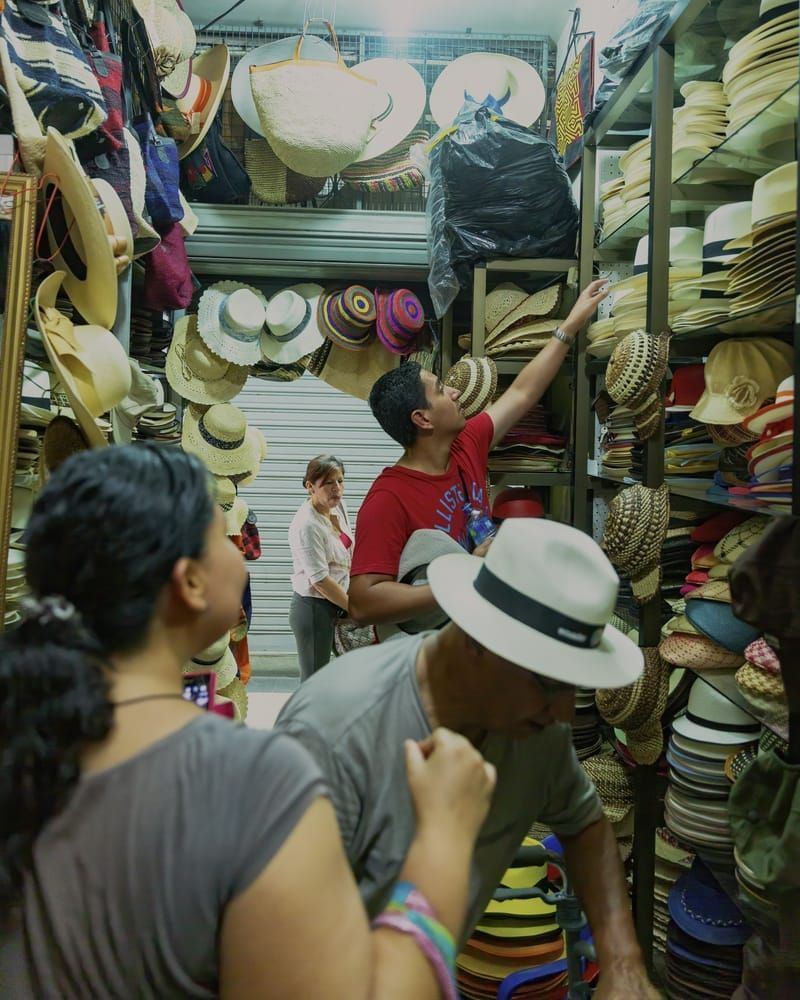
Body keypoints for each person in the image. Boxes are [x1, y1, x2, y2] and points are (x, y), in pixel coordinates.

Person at [0, 444, 497, 998]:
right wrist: (444, 841)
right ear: (190, 583)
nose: (241, 552)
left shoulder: (24, 736)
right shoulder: (253, 781)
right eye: (223, 538)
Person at [277, 518, 661, 998]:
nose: (562, 713)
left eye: (572, 686)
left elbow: (584, 823)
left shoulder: (535, 726)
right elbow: (282, 950)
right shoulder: (334, 732)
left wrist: (623, 961)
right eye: (547, 683)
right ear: (479, 642)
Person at [348, 278, 610, 626]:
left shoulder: (465, 445)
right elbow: (362, 603)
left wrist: (570, 326)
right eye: (441, 390)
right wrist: (464, 576)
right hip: (434, 644)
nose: (454, 393)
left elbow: (521, 393)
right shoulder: (388, 499)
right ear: (422, 418)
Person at [288, 454, 353, 680]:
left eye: (340, 481)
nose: (337, 488)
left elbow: (347, 554)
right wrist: (355, 608)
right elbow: (321, 581)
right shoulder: (307, 525)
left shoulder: (338, 506)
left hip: (339, 601)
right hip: (315, 608)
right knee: (314, 681)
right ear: (310, 486)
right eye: (328, 483)